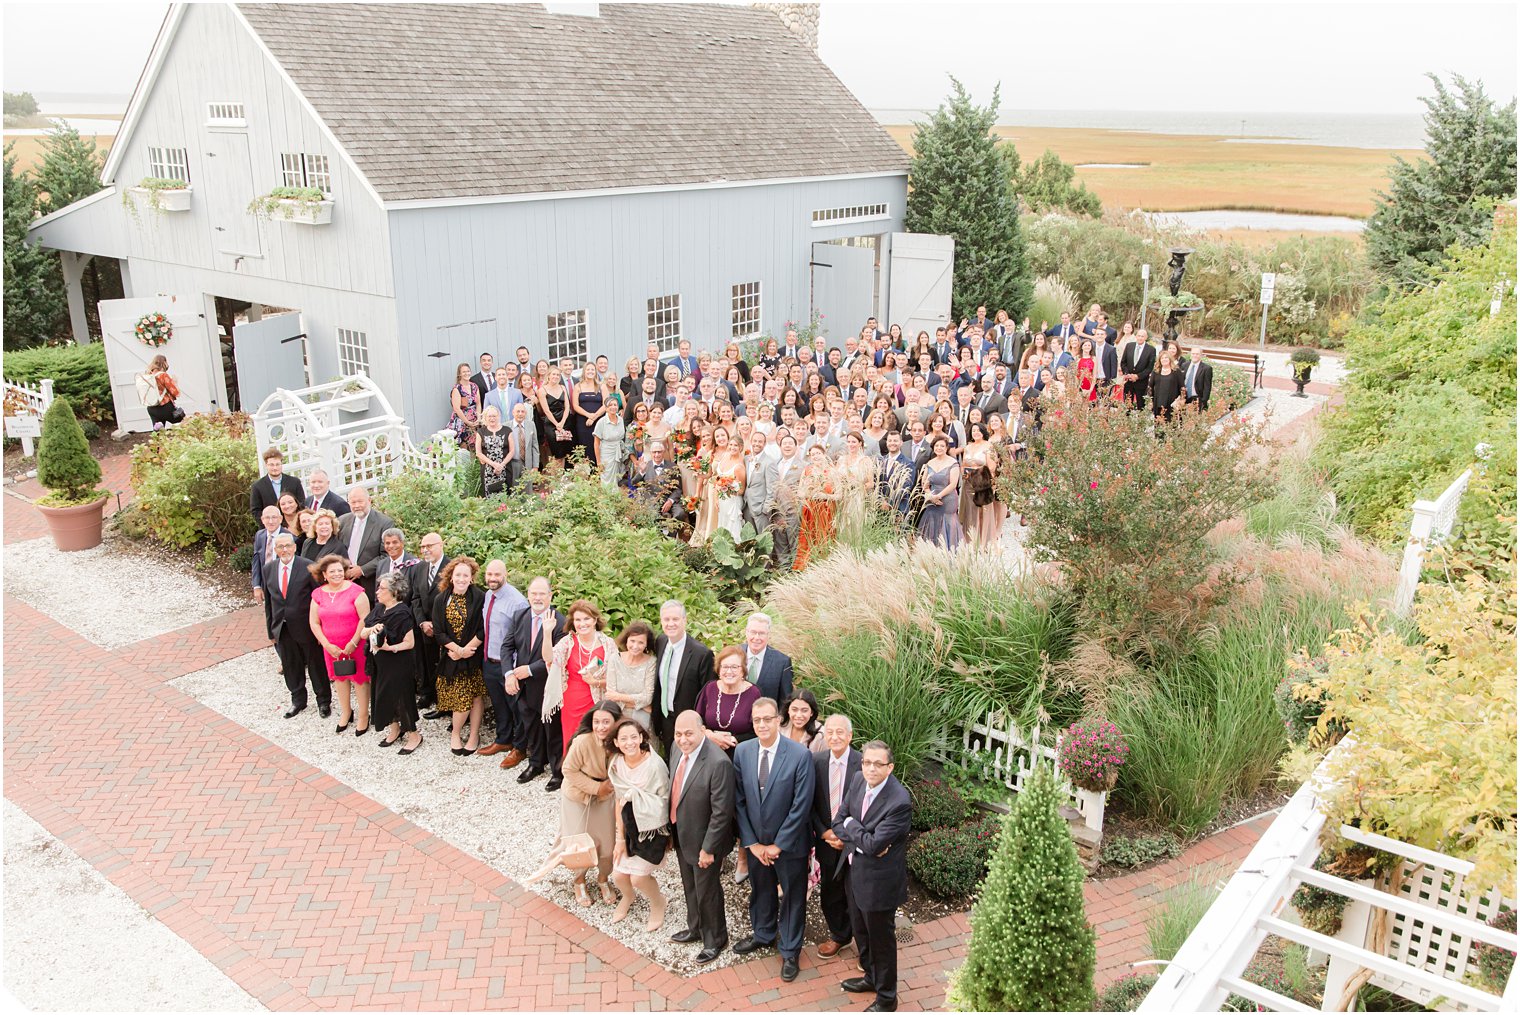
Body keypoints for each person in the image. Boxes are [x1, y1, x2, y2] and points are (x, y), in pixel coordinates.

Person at [732, 697, 816, 984]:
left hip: (789, 845)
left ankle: (791, 951)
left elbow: (801, 806)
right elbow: (739, 802)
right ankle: (763, 934)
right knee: (761, 890)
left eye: (767, 719)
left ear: (780, 719)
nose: (762, 725)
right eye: (757, 720)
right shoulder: (743, 752)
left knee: (793, 897)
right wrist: (753, 844)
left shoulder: (799, 754)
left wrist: (778, 845)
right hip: (757, 844)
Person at [834, 741, 913, 1013]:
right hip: (855, 871)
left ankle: (887, 998)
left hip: (880, 883)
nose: (870, 768)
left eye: (878, 764)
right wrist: (861, 836)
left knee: (881, 940)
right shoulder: (857, 780)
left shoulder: (899, 801)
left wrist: (852, 829)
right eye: (866, 762)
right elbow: (838, 820)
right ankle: (870, 977)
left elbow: (873, 845)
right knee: (861, 931)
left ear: (890, 767)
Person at [526, 701, 622, 907]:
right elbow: (568, 771)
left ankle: (603, 878)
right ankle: (578, 881)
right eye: (597, 722)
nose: (601, 727)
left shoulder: (620, 741)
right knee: (578, 841)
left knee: (606, 844)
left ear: (616, 722)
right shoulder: (582, 742)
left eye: (606, 722)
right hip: (577, 796)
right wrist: (596, 788)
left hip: (605, 797)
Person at [667, 710, 736, 964]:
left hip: (706, 840)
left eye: (688, 734)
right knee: (690, 886)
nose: (683, 739)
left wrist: (708, 849)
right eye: (678, 734)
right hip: (682, 832)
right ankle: (695, 928)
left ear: (702, 730)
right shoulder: (677, 750)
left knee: (707, 891)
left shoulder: (718, 763)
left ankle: (715, 939)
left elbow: (722, 812)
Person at [607, 718, 671, 931]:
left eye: (634, 737)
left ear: (642, 737)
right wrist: (619, 839)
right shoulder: (616, 764)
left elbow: (665, 800)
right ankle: (628, 897)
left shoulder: (655, 765)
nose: (629, 743)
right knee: (618, 875)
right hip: (628, 824)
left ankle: (658, 903)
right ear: (616, 742)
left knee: (638, 877)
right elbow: (618, 801)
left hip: (651, 827)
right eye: (623, 738)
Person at [506, 576, 568, 788]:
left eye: (542, 594)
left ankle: (557, 771)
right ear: (528, 595)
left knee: (553, 731)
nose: (538, 598)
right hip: (524, 687)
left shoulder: (560, 622)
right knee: (531, 727)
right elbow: (507, 647)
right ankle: (536, 763)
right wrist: (509, 674)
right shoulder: (520, 616)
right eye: (534, 593)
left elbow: (558, 658)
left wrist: (530, 670)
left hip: (548, 686)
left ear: (550, 596)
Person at [263, 533, 331, 719]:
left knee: (316, 665)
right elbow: (269, 603)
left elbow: (319, 598)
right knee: (291, 665)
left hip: (306, 626)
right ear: (275, 550)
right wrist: (271, 629)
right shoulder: (269, 569)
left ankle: (323, 701)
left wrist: (320, 627)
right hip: (282, 627)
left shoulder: (308, 566)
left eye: (287, 546)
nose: (284, 550)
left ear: (294, 547)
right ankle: (298, 700)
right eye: (280, 547)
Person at [812, 714, 861, 959]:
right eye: (830, 732)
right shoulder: (816, 761)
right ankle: (839, 936)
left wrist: (847, 835)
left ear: (850, 736)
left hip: (854, 842)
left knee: (856, 894)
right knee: (830, 892)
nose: (835, 737)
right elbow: (809, 803)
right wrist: (824, 831)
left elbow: (868, 808)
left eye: (840, 732)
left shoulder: (863, 764)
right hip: (827, 839)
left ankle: (864, 947)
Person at [308, 553, 371, 736]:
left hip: (355, 644)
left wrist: (353, 642)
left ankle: (363, 715)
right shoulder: (318, 594)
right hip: (331, 647)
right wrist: (327, 645)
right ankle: (346, 712)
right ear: (324, 574)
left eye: (340, 570)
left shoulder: (357, 592)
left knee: (359, 680)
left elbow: (365, 619)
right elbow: (314, 622)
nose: (337, 574)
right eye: (332, 571)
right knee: (340, 678)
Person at [361, 570, 423, 755]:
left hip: (398, 664)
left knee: (402, 698)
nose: (378, 592)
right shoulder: (379, 608)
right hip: (379, 663)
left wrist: (389, 648)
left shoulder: (403, 612)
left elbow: (410, 643)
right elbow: (363, 633)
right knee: (383, 695)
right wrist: (373, 628)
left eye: (382, 588)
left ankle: (413, 735)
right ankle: (394, 729)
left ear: (394, 591)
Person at [545, 599, 616, 758]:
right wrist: (547, 633)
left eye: (586, 619)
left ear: (595, 620)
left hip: (598, 700)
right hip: (572, 700)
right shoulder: (568, 642)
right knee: (573, 738)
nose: (582, 623)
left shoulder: (608, 644)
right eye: (578, 620)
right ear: (573, 622)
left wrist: (596, 682)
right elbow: (549, 658)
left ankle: (597, 776)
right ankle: (572, 776)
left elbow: (616, 679)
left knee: (597, 739)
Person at [430, 555, 486, 757]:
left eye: (466, 575)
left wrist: (466, 650)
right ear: (451, 577)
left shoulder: (480, 597)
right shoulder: (441, 599)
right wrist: (455, 649)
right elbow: (438, 632)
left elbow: (483, 628)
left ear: (471, 578)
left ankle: (473, 735)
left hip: (473, 654)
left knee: (476, 696)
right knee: (461, 697)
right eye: (458, 575)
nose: (462, 579)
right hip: (452, 654)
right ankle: (455, 733)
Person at [478, 560, 528, 768]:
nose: (492, 578)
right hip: (489, 660)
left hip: (509, 665)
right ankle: (503, 740)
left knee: (517, 708)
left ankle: (520, 748)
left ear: (505, 574)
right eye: (489, 574)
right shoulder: (489, 595)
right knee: (500, 705)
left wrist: (514, 670)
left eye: (497, 575)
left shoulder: (517, 601)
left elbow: (523, 637)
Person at [650, 600, 714, 758]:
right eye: (666, 619)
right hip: (665, 718)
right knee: (670, 762)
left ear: (684, 620)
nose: (670, 624)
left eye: (675, 619)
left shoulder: (701, 653)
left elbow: (708, 694)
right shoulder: (661, 642)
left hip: (689, 722)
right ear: (661, 621)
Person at [410, 532, 449, 714]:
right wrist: (422, 622)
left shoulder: (451, 567)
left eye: (429, 546)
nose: (425, 550)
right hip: (424, 625)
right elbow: (416, 598)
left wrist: (436, 624)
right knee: (426, 660)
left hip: (443, 626)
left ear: (440, 545)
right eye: (423, 546)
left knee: (443, 663)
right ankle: (428, 693)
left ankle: (445, 700)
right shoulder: (420, 568)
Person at [336, 486, 394, 597]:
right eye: (353, 502)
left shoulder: (384, 523)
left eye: (360, 502)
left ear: (369, 501)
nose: (357, 506)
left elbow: (387, 554)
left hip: (369, 583)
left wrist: (362, 570)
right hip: (344, 581)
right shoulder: (342, 521)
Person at [602, 620, 657, 731]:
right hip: (618, 716)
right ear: (626, 640)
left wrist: (619, 697)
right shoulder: (615, 659)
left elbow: (648, 697)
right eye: (632, 641)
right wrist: (641, 705)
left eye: (641, 642)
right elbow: (610, 695)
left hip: (643, 721)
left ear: (646, 644)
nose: (635, 646)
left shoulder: (651, 662)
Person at [792, 444, 837, 571]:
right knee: (808, 538)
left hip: (826, 511)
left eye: (818, 453)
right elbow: (800, 492)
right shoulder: (807, 471)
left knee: (824, 538)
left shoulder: (832, 471)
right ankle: (807, 568)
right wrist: (810, 494)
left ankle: (825, 568)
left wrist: (824, 495)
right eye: (813, 454)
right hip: (810, 510)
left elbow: (839, 495)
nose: (816, 456)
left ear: (824, 454)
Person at [958, 422, 1003, 548]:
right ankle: (970, 540)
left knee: (982, 512)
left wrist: (989, 483)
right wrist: (964, 473)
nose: (976, 432)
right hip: (968, 484)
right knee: (970, 511)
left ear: (983, 432)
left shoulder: (988, 446)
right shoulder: (967, 447)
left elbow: (992, 467)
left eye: (978, 430)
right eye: (973, 431)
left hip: (982, 483)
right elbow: (963, 465)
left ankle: (983, 542)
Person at [916, 435, 963, 549]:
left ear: (946, 447)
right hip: (932, 500)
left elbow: (953, 484)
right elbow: (924, 483)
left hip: (947, 499)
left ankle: (948, 551)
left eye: (942, 445)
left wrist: (939, 496)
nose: (939, 448)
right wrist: (929, 495)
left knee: (946, 522)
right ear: (933, 447)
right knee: (931, 521)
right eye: (937, 445)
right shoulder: (930, 463)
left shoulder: (953, 463)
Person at [742, 612, 794, 705]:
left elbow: (785, 701)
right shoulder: (733, 654)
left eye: (761, 633)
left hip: (766, 718)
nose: (756, 637)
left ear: (768, 635)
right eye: (753, 632)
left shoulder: (782, 663)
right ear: (746, 632)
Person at [250, 447, 305, 520]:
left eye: (277, 464)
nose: (275, 468)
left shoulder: (295, 482)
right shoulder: (257, 486)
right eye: (271, 465)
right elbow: (256, 511)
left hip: (294, 525)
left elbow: (302, 504)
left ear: (281, 464)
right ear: (266, 465)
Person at [251, 505, 289, 605]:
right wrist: (257, 586)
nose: (271, 521)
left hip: (283, 587)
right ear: (262, 520)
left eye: (274, 517)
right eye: (267, 518)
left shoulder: (289, 538)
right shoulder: (260, 535)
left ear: (280, 519)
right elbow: (256, 561)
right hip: (265, 584)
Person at [537, 366, 574, 468]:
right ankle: (556, 479)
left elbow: (567, 407)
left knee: (567, 452)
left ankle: (563, 478)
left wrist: (562, 423)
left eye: (558, 375)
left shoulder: (562, 388)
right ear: (548, 376)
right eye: (554, 374)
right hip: (552, 424)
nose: (556, 376)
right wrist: (557, 425)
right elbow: (546, 411)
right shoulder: (542, 390)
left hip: (565, 422)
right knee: (557, 453)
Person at [571, 364, 606, 464]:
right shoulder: (578, 386)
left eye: (592, 369)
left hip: (599, 421)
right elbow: (575, 405)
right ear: (584, 371)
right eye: (588, 369)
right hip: (583, 422)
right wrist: (588, 415)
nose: (590, 371)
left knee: (598, 445)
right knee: (585, 445)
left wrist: (594, 417)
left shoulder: (601, 386)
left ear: (595, 372)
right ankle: (587, 472)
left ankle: (599, 471)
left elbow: (606, 404)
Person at [475, 405, 513, 497]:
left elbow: (512, 451)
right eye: (489, 416)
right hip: (487, 471)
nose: (492, 418)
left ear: (499, 416)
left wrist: (501, 465)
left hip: (505, 468)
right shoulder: (481, 432)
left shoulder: (507, 430)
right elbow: (478, 452)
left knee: (505, 495)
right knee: (489, 497)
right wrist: (494, 464)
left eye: (494, 416)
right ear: (485, 418)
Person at [138, 354, 182, 429]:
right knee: (181, 421)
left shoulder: (148, 375)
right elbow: (176, 393)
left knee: (158, 432)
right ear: (164, 363)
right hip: (164, 406)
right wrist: (175, 382)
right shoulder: (163, 375)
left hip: (151, 408)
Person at [593, 396, 627, 486]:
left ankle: (616, 497)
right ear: (606, 408)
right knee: (607, 477)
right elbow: (596, 443)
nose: (613, 407)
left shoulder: (620, 420)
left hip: (618, 451)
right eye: (610, 405)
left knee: (617, 476)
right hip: (606, 453)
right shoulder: (601, 422)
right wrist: (598, 462)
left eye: (615, 405)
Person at [1121, 328, 1156, 412]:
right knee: (1127, 405)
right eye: (1139, 336)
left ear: (1146, 337)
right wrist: (1127, 374)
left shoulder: (1151, 350)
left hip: (1141, 382)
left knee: (1141, 406)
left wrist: (1137, 376)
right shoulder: (1129, 346)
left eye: (1142, 336)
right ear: (1136, 336)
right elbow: (1123, 362)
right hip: (1128, 381)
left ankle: (1140, 423)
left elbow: (1149, 368)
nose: (1140, 338)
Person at [448, 362, 481, 447]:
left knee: (476, 443)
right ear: (460, 374)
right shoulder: (457, 389)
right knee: (462, 444)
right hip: (462, 420)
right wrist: (467, 422)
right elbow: (457, 408)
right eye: (464, 372)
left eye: (468, 371)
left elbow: (478, 404)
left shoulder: (474, 386)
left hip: (474, 419)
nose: (467, 373)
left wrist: (479, 418)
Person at [508, 401, 538, 488]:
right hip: (512, 464)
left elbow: (535, 446)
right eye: (518, 411)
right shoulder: (506, 426)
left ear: (525, 413)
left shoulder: (531, 425)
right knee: (513, 490)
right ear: (513, 413)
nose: (520, 414)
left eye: (522, 411)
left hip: (527, 464)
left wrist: (535, 466)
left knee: (527, 491)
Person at [1150, 349, 1185, 424]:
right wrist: (1150, 400)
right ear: (1159, 360)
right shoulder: (1156, 371)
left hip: (1171, 404)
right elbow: (1150, 387)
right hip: (1158, 403)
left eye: (1166, 357)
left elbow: (1182, 388)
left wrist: (1180, 400)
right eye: (1162, 358)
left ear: (1170, 359)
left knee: (1171, 426)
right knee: (1158, 427)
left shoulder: (1176, 371)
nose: (1164, 359)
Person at [1184, 344, 1214, 413]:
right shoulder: (1185, 365)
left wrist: (1203, 402)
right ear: (1190, 354)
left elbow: (1207, 387)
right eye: (1193, 353)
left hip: (1197, 399)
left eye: (1197, 354)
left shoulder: (1206, 369)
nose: (1195, 355)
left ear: (1201, 355)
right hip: (1184, 398)